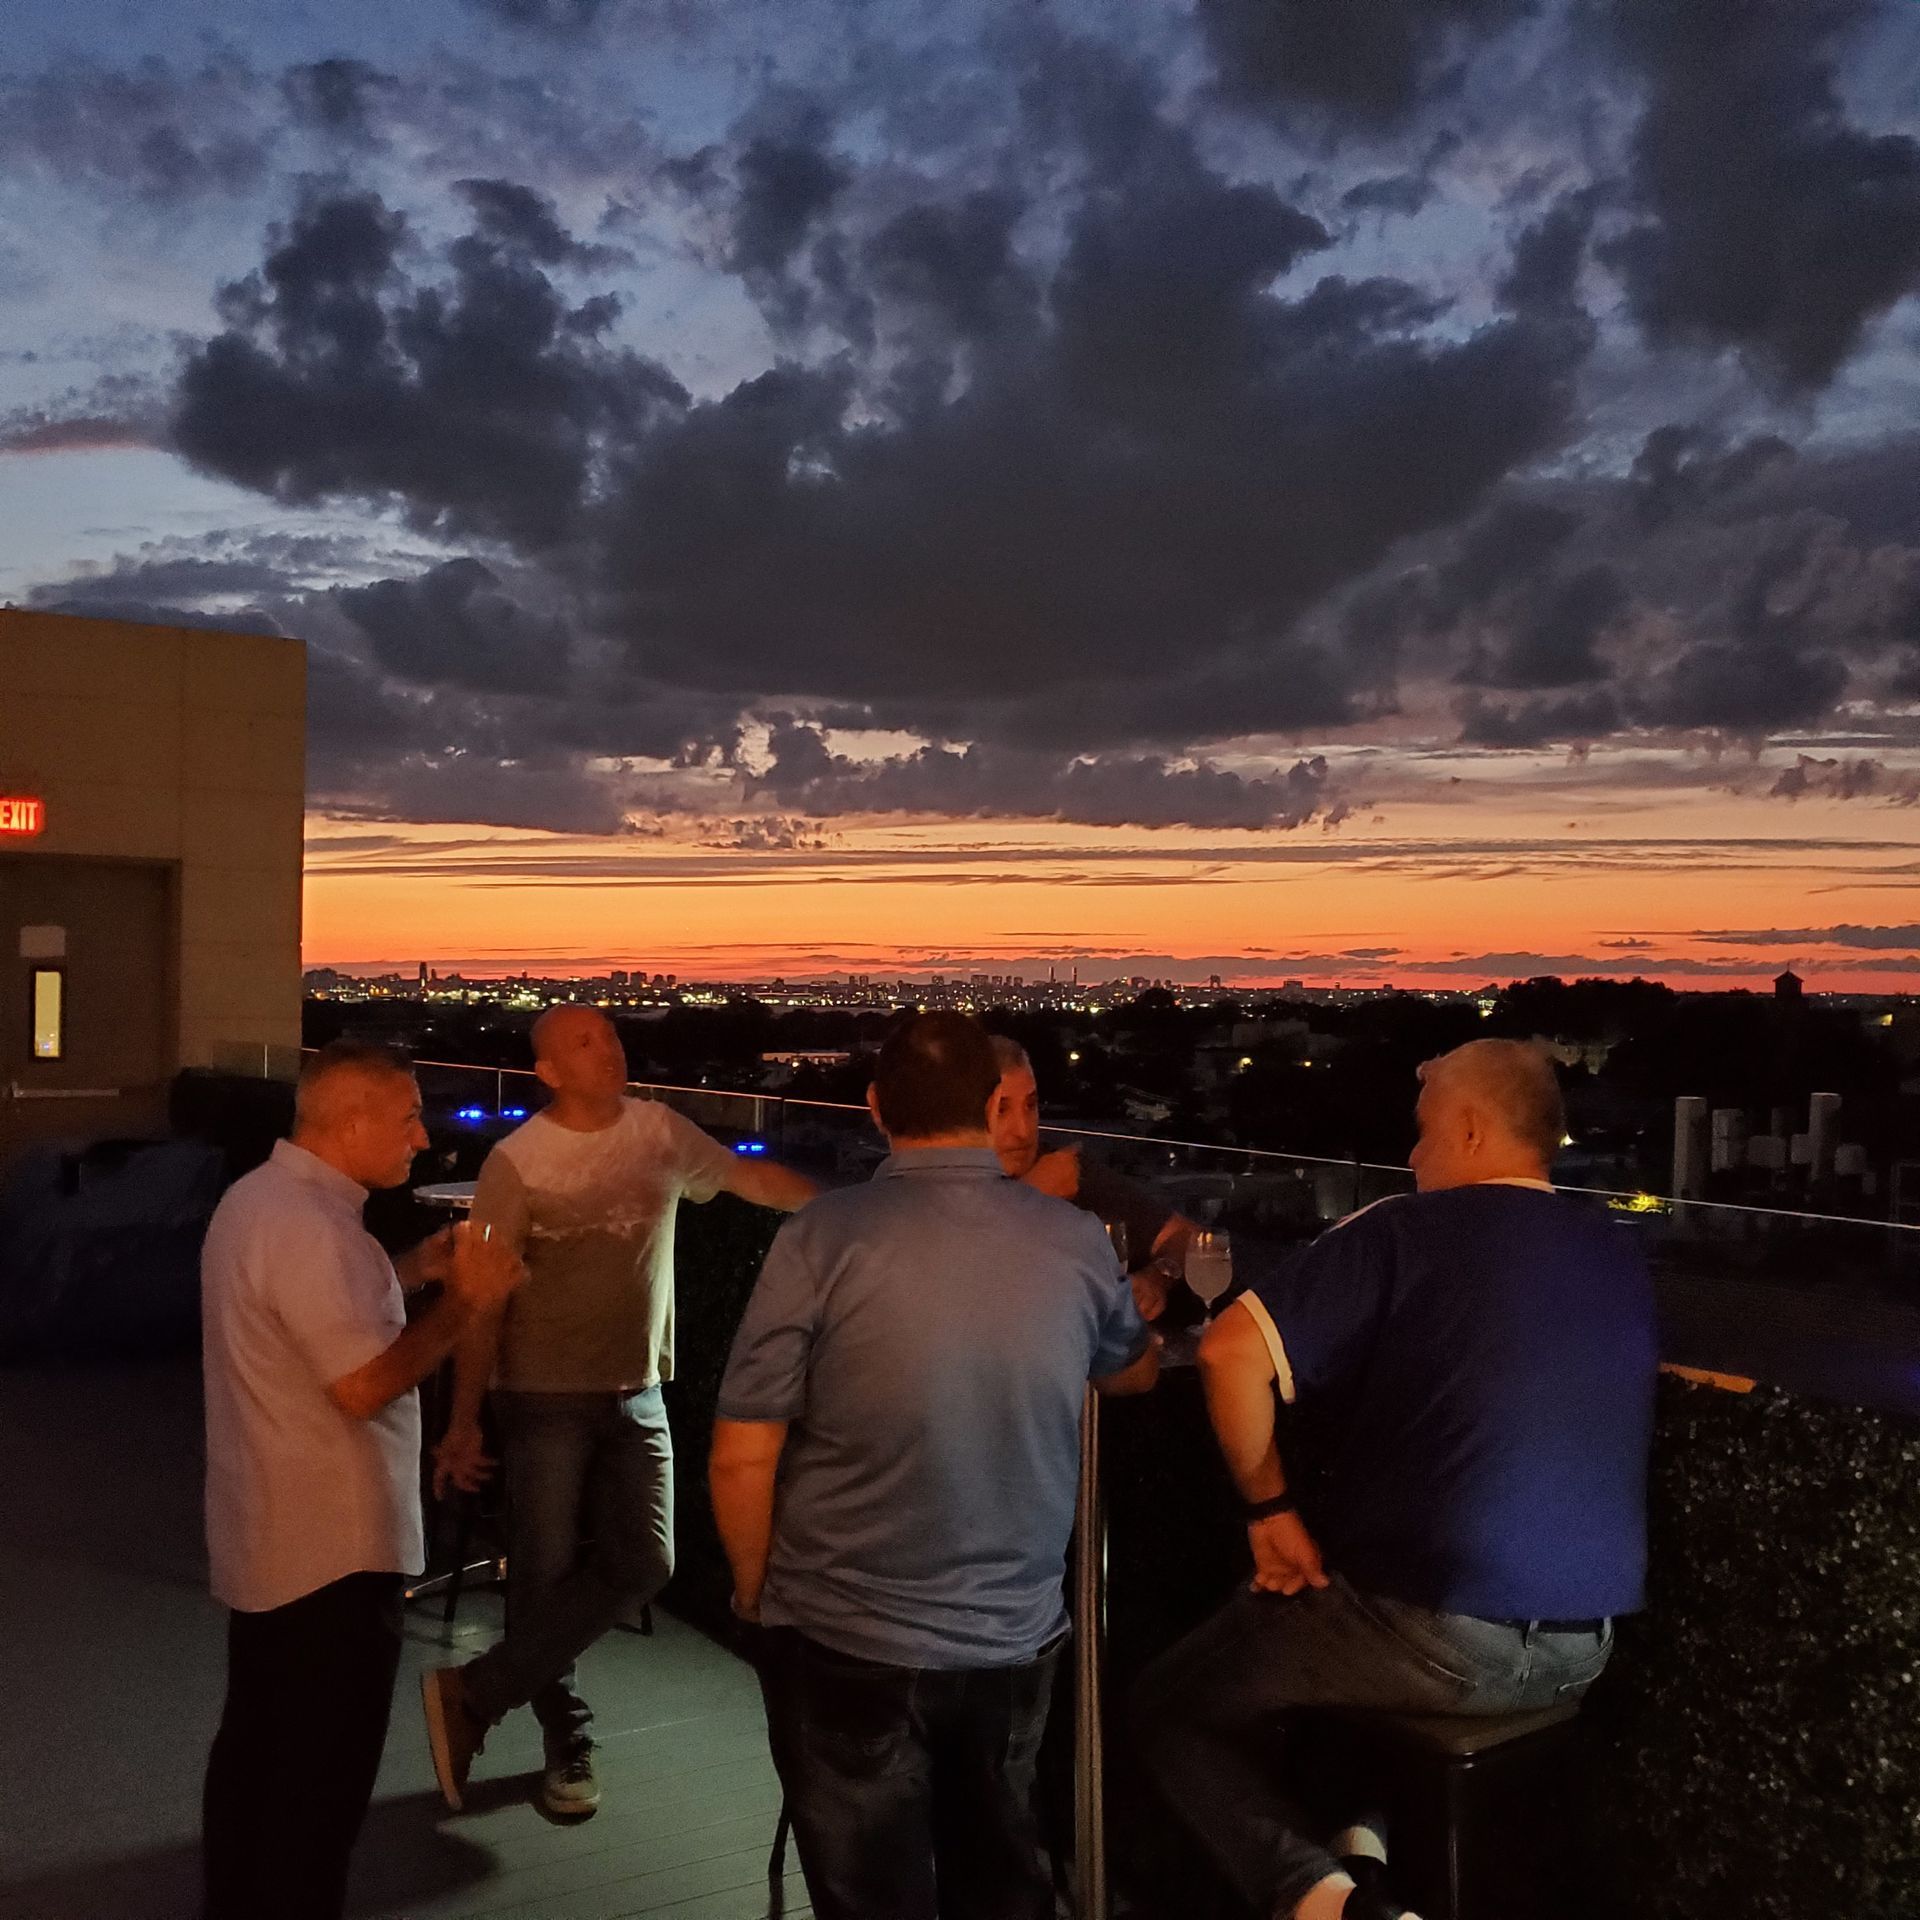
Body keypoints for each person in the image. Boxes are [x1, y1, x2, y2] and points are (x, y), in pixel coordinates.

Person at [1132, 1039, 1658, 1920]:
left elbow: (1228, 1353)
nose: (1410, 1157)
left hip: (1437, 1628)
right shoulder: (1615, 1247)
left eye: (1420, 1133)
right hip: (1585, 1649)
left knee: (1171, 1706)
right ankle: (1367, 1858)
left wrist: (1271, 1508)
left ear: (1469, 1127)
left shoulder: (1405, 1230)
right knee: (1336, 1666)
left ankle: (1330, 1905)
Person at [711, 1010, 1159, 1920]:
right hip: (1011, 1636)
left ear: (875, 1107)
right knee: (999, 1882)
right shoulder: (1072, 1241)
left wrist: (758, 1592)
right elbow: (1132, 1372)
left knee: (868, 1897)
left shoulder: (823, 1236)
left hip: (841, 1632)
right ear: (991, 1103)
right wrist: (1129, 1301)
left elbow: (742, 1450)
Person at [421, 1004, 818, 1817]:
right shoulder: (516, 1163)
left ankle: (475, 1693)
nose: (606, 1049)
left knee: (647, 1563)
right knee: (543, 1576)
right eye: (582, 1042)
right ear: (548, 1072)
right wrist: (463, 1422)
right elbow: (481, 1305)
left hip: (638, 1389)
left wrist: (850, 1217)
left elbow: (753, 1180)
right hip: (540, 1397)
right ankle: (565, 1740)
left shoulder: (661, 1133)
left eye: (607, 1034)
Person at [200, 1041, 524, 1920]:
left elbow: (317, 1324)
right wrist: (469, 1301)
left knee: (256, 1758)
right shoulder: (313, 1230)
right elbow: (362, 1385)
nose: (424, 1136)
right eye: (409, 1115)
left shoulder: (259, 1202)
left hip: (271, 1539)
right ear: (348, 1123)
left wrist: (410, 1270)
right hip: (332, 1558)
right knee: (317, 1792)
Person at [987, 1034, 1196, 1319]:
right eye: (1002, 1110)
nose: (1023, 1130)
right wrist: (1032, 1198)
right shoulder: (938, 1189)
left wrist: (1157, 1277)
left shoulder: (1064, 1169)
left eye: (1031, 1105)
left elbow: (1185, 1236)